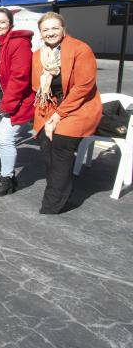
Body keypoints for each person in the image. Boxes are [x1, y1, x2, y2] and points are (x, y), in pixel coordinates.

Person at [32, 13, 102, 214]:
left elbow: (84, 87)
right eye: (46, 30)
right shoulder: (39, 54)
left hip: (79, 106)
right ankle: (62, 188)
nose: (50, 33)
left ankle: (53, 203)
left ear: (63, 29)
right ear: (41, 33)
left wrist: (58, 115)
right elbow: (36, 85)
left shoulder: (80, 49)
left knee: (61, 143)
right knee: (46, 145)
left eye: (55, 28)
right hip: (51, 105)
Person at [0, 8, 34, 196]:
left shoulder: (18, 43)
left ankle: (7, 179)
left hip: (13, 101)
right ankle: (6, 175)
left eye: (2, 22)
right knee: (2, 138)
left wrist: (7, 105)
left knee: (6, 139)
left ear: (10, 24)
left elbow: (20, 77)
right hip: (0, 98)